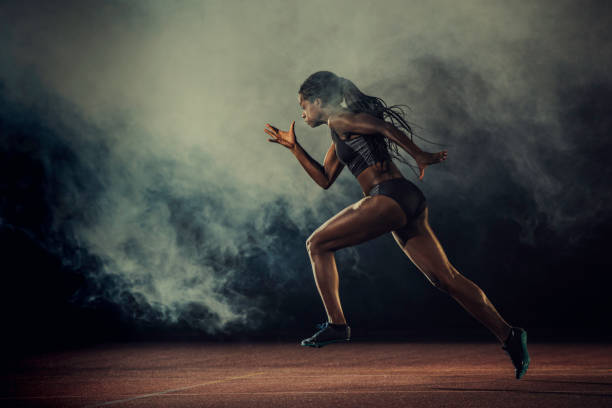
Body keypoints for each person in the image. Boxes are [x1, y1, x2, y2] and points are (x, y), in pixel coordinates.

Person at [264, 71, 529, 379]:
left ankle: (337, 325)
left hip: (387, 197)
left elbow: (383, 126)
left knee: (316, 244)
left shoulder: (340, 120)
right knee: (445, 278)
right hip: (407, 199)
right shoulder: (339, 133)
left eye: (303, 105)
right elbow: (324, 178)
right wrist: (294, 148)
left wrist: (420, 155)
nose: (302, 112)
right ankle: (509, 335)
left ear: (318, 102)